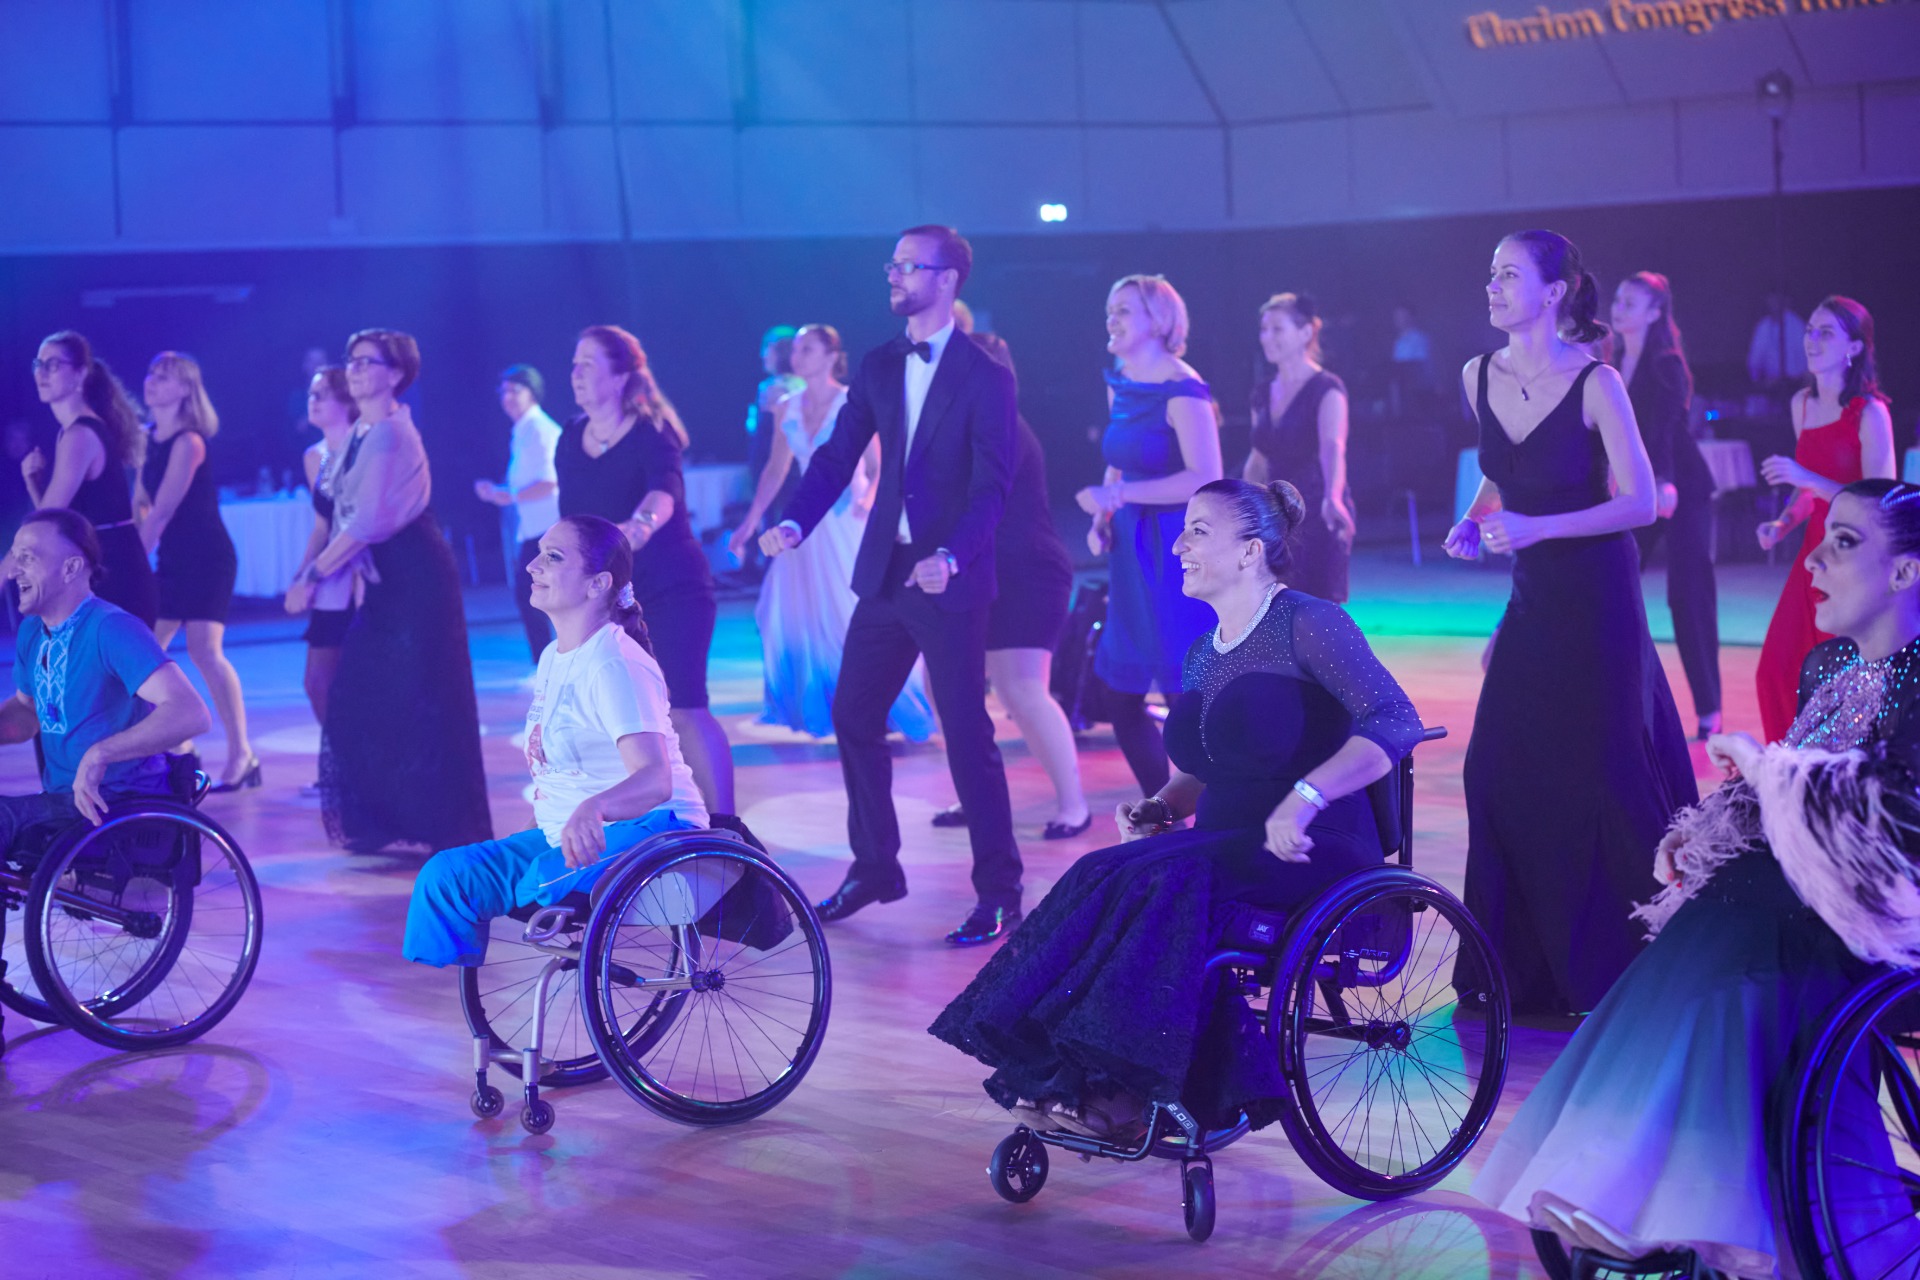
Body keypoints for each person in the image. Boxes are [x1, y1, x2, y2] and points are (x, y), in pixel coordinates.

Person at [1475, 477, 1920, 1280]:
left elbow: (1896, 816)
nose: (1812, 558)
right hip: (1782, 899)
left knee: (1737, 953)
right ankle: (1629, 1184)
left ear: (1906, 572)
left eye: (1845, 542)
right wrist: (1711, 825)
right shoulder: (1828, 666)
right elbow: (1779, 787)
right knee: (1710, 922)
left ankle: (1688, 1202)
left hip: (1882, 920)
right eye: (1822, 536)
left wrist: (1772, 776)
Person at [932, 479, 1424, 1138]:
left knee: (1166, 882)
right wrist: (1160, 808)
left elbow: (1395, 720)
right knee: (1099, 872)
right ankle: (1065, 1073)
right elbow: (1207, 766)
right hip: (1225, 841)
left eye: (1198, 530)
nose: (1178, 545)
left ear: (1250, 551)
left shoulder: (1310, 623)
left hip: (1311, 843)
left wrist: (1307, 797)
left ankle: (1130, 1093)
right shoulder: (1203, 652)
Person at [1444, 229, 1697, 1018]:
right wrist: (1473, 518)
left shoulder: (1597, 382)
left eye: (1509, 275)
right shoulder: (1476, 374)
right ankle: (1520, 970)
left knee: (1609, 776)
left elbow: (1641, 501)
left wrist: (1538, 528)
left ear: (1553, 292)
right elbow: (1504, 471)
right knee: (1493, 770)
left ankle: (1637, 967)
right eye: (1490, 273)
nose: (1492, 286)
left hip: (1599, 597)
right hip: (1534, 597)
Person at [759, 224, 1024, 946]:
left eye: (910, 265)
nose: (894, 275)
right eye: (893, 264)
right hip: (884, 574)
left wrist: (955, 557)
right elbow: (836, 456)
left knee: (966, 735)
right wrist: (796, 522)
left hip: (947, 581)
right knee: (852, 714)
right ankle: (876, 867)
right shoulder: (880, 364)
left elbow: (992, 488)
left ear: (947, 279)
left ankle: (1000, 891)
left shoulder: (985, 374)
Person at [403, 514, 707, 968]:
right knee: (448, 876)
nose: (533, 566)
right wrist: (540, 820)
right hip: (568, 833)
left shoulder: (614, 663)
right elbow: (560, 769)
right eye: (539, 554)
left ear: (597, 583)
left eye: (553, 557)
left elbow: (655, 780)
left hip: (654, 826)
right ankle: (437, 1001)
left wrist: (592, 808)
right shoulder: (552, 657)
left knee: (539, 880)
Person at [0, 509, 212, 1052]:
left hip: (117, 801)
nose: (13, 569)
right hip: (62, 801)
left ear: (72, 567)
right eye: (13, 556)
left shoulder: (112, 629)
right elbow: (26, 715)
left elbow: (190, 712)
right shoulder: (34, 632)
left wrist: (102, 752)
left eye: (28, 557)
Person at [293, 329, 490, 853]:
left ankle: (439, 825)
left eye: (367, 362)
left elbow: (367, 522)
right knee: (367, 694)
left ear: (396, 374)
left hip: (415, 578)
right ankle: (387, 818)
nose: (354, 370)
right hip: (387, 582)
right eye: (351, 360)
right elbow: (340, 513)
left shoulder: (389, 434)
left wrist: (313, 576)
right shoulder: (363, 431)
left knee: (422, 697)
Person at [555, 325, 733, 816]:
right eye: (574, 363)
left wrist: (641, 525)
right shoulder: (569, 438)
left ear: (619, 377)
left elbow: (665, 489)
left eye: (588, 364)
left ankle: (726, 827)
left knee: (685, 707)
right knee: (629, 718)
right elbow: (572, 519)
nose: (576, 373)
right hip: (610, 598)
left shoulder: (652, 430)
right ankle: (660, 827)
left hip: (672, 587)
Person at [728, 324, 935, 741]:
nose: (797, 356)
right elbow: (775, 470)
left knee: (850, 611)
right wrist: (750, 521)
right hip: (805, 522)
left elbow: (877, 467)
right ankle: (822, 703)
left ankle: (878, 703)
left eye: (807, 348)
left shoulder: (851, 401)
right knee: (794, 613)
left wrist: (868, 500)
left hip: (847, 520)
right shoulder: (785, 406)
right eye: (796, 349)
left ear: (831, 356)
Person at [927, 328, 1089, 839]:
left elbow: (974, 504)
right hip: (979, 571)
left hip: (1026, 574)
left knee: (1021, 689)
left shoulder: (1002, 428)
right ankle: (974, 793)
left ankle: (1074, 806)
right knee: (943, 684)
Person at [1075, 274, 1224, 799]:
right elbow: (1118, 461)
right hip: (1130, 551)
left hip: (1174, 549)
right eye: (1109, 309)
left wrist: (1118, 496)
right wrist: (1103, 514)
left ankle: (1213, 814)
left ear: (1158, 321)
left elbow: (1206, 477)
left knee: (1183, 693)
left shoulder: (1183, 387)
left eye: (1124, 311)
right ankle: (1164, 810)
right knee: (1121, 695)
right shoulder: (1122, 381)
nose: (1110, 320)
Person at [1754, 295, 1896, 743]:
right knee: (1777, 671)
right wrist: (1781, 524)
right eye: (1810, 331)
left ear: (1853, 347)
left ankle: (1840, 771)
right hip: (1814, 555)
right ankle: (1790, 768)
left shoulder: (1870, 412)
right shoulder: (1802, 404)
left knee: (1843, 678)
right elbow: (1808, 495)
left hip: (1857, 561)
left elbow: (1881, 502)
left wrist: (1806, 478)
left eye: (1826, 333)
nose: (1812, 340)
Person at [1611, 272, 1722, 740]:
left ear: (1655, 313)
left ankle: (1710, 709)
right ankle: (1619, 698)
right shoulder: (1611, 361)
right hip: (1642, 488)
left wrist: (1665, 480)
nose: (1618, 308)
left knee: (1688, 596)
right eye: (1618, 300)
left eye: (1630, 303)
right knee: (1613, 580)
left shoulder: (1665, 362)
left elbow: (1667, 426)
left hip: (1683, 487)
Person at [134, 352, 252, 791]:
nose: (152, 381)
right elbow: (140, 504)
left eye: (164, 376)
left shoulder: (189, 442)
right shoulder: (147, 439)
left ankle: (242, 754)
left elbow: (163, 511)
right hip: (172, 560)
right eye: (151, 373)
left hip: (207, 558)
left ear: (185, 389)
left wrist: (132, 563)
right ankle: (181, 745)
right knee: (144, 652)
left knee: (205, 650)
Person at [24, 331, 158, 628]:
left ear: (80, 373)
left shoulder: (80, 435)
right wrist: (33, 484)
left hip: (114, 572)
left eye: (53, 365)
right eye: (38, 364)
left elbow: (44, 522)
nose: (41, 373)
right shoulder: (70, 432)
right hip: (98, 569)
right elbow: (59, 519)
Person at [1243, 292, 1355, 602]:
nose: (1267, 337)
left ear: (1305, 333)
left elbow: (1333, 446)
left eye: (1277, 329)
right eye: (1264, 329)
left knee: (1316, 609)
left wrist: (1333, 497)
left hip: (1316, 509)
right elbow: (1258, 456)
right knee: (1276, 605)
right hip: (1276, 515)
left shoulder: (1327, 388)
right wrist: (1242, 505)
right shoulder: (1262, 392)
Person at [288, 366, 358, 796]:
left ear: (346, 401)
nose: (312, 402)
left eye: (321, 395)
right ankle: (344, 765)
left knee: (354, 680)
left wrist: (318, 571)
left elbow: (360, 524)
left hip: (364, 575)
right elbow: (321, 524)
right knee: (317, 681)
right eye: (310, 394)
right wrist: (304, 573)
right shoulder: (314, 456)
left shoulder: (363, 446)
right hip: (331, 578)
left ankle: (356, 770)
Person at [475, 364, 562, 666]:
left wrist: (509, 495)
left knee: (539, 598)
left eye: (515, 390)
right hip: (534, 530)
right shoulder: (522, 431)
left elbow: (550, 482)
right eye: (503, 391)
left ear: (532, 392)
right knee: (534, 598)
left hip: (550, 530)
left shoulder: (538, 429)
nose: (507, 397)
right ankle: (548, 665)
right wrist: (500, 491)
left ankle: (551, 665)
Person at [1747, 292, 1809, 392]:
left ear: (1786, 301)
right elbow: (1754, 361)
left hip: (1795, 386)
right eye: (1772, 299)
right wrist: (1759, 381)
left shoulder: (1797, 325)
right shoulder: (1763, 326)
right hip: (1769, 386)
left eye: (1778, 299)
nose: (1775, 303)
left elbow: (1805, 362)